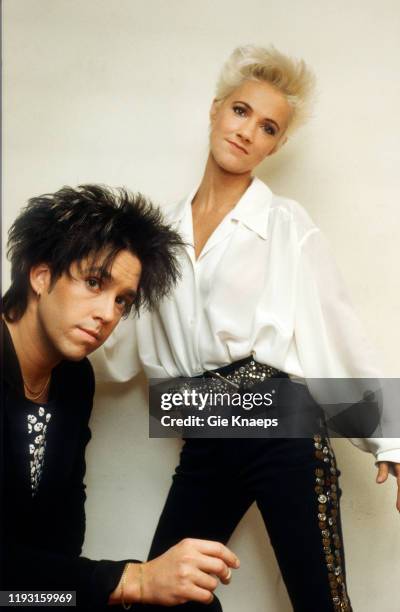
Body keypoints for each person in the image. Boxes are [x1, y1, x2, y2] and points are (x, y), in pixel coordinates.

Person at [90, 46, 400, 611]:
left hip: (280, 429)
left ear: (275, 145)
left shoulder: (285, 224)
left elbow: (335, 330)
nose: (247, 132)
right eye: (240, 111)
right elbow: (117, 342)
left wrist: (391, 437)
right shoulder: (157, 233)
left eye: (267, 127)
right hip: (201, 431)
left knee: (319, 601)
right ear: (214, 111)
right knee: (163, 598)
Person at [0, 184, 240, 610]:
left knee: (191, 604)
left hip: (31, 595)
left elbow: (62, 536)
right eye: (94, 283)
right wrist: (132, 579)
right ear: (40, 276)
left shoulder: (74, 379)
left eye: (122, 301)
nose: (108, 314)